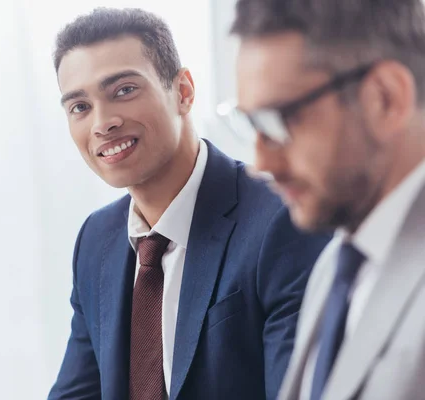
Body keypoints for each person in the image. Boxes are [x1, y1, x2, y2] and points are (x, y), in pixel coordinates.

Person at [48, 8, 329, 400]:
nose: (102, 123)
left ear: (183, 92)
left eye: (124, 90)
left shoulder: (282, 219)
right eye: (80, 107)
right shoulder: (96, 240)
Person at [230, 1, 425, 399]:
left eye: (281, 120)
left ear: (385, 98)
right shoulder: (333, 265)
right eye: (254, 125)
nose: (262, 163)